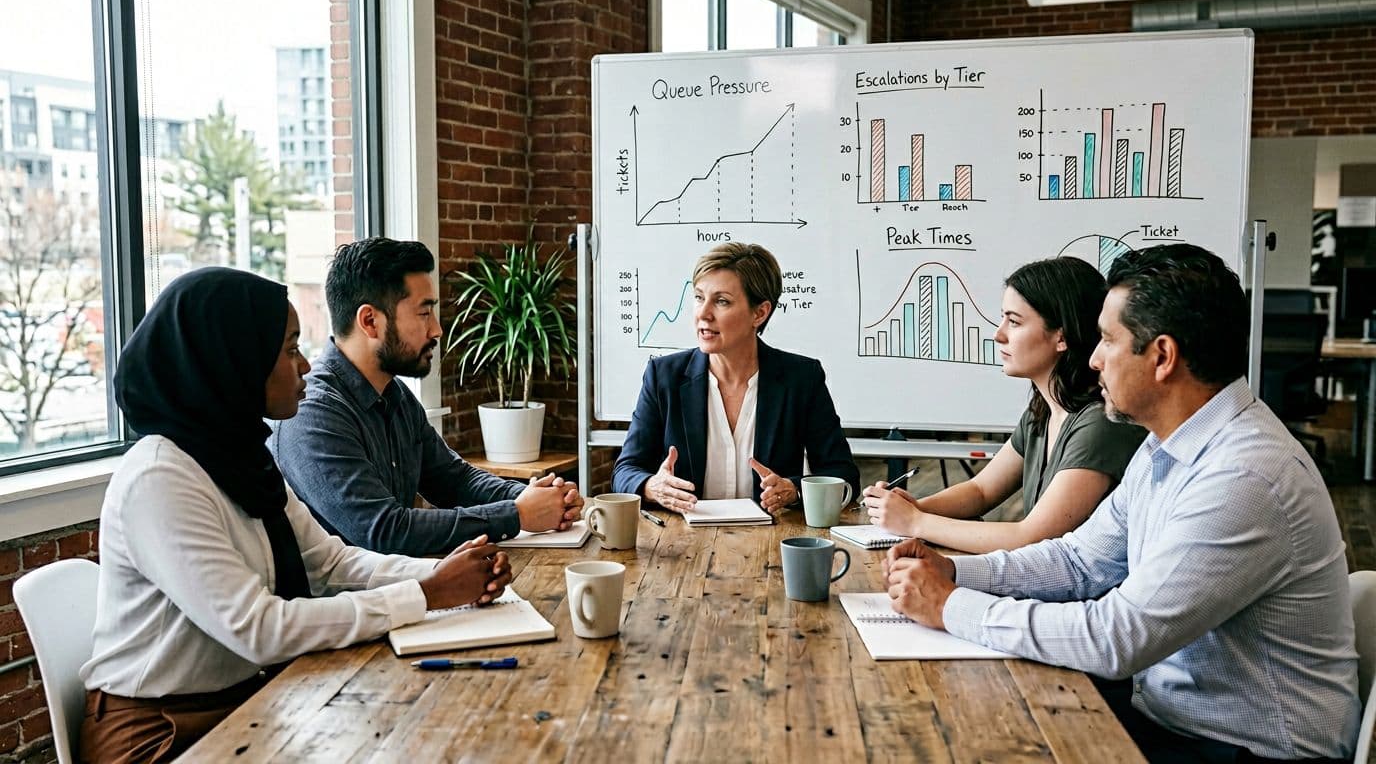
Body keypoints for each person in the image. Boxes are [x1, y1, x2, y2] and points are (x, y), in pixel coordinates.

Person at [882, 244, 1359, 762]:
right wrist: (955, 572)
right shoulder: (1165, 444)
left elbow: (1117, 637)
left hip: (1244, 750)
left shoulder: (1243, 476)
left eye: (1108, 340)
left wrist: (950, 605)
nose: (1093, 358)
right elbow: (1079, 561)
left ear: (1162, 357)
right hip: (1165, 715)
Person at [79, 268, 511, 763]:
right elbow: (261, 629)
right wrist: (428, 593)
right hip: (160, 734)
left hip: (251, 700)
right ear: (233, 363)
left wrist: (442, 572)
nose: (304, 364)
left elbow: (329, 564)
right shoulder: (160, 478)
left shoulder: (239, 457)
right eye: (287, 350)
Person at [270, 238, 582, 556]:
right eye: (424, 314)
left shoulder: (394, 394)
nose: (437, 330)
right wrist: (517, 514)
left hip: (402, 589)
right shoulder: (313, 412)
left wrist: (536, 497)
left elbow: (453, 479)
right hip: (350, 602)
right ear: (369, 322)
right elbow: (385, 530)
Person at [863, 257, 1145, 553]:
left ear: (1061, 336)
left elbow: (1033, 537)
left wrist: (915, 522)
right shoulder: (1042, 411)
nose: (998, 334)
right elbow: (981, 491)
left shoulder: (1100, 424)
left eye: (1014, 321)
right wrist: (913, 507)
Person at [612, 242, 859, 513]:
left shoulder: (801, 378)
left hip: (770, 541)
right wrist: (652, 486)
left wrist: (795, 490)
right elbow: (625, 471)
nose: (703, 314)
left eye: (721, 301)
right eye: (698, 297)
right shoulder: (663, 376)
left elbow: (844, 476)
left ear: (759, 313)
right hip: (682, 541)